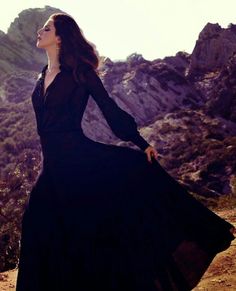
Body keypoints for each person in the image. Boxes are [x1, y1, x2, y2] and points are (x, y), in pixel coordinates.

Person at [16, 12, 235, 291]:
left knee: (92, 225)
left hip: (80, 162)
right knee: (39, 226)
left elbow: (110, 110)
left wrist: (140, 143)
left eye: (46, 28)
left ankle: (206, 230)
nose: (39, 31)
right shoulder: (41, 76)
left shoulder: (80, 74)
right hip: (53, 168)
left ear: (59, 37)